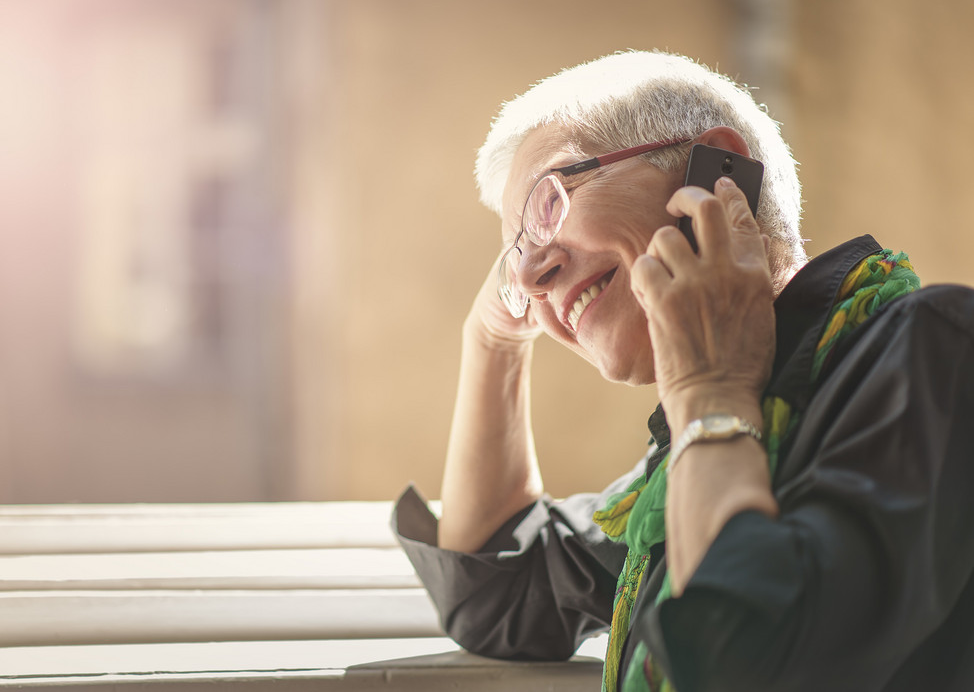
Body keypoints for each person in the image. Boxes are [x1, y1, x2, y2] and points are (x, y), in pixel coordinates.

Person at [391, 50, 974, 692]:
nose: (531, 277)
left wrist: (708, 390)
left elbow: (739, 658)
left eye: (548, 202)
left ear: (717, 175)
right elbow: (499, 593)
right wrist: (493, 339)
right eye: (513, 261)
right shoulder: (679, 475)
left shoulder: (934, 351)